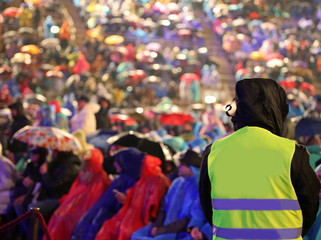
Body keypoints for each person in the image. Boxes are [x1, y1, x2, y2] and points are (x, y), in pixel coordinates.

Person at [199, 78, 320, 239]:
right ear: (275, 109)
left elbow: (208, 207)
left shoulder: (213, 152)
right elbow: (310, 204)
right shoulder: (292, 152)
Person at [131, 150, 208, 240]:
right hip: (165, 226)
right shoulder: (177, 182)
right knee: (136, 235)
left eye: (182, 164)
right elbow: (163, 206)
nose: (178, 166)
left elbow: (193, 217)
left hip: (181, 232)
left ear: (191, 167)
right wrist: (157, 226)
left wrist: (163, 230)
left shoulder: (198, 186)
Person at [71, 148, 145, 240]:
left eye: (118, 161)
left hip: (108, 219)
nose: (114, 164)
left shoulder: (128, 181)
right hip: (101, 216)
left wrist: (123, 201)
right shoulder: (122, 179)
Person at [95, 154, 170, 240]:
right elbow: (134, 195)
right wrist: (125, 199)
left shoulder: (158, 181)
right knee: (109, 226)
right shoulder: (142, 180)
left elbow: (154, 207)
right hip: (132, 214)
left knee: (124, 230)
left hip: (144, 218)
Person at [44, 148, 111, 240]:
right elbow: (74, 192)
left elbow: (96, 199)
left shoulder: (101, 177)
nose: (85, 164)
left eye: (88, 161)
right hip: (74, 206)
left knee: (64, 219)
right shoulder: (82, 175)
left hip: (86, 210)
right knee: (58, 216)